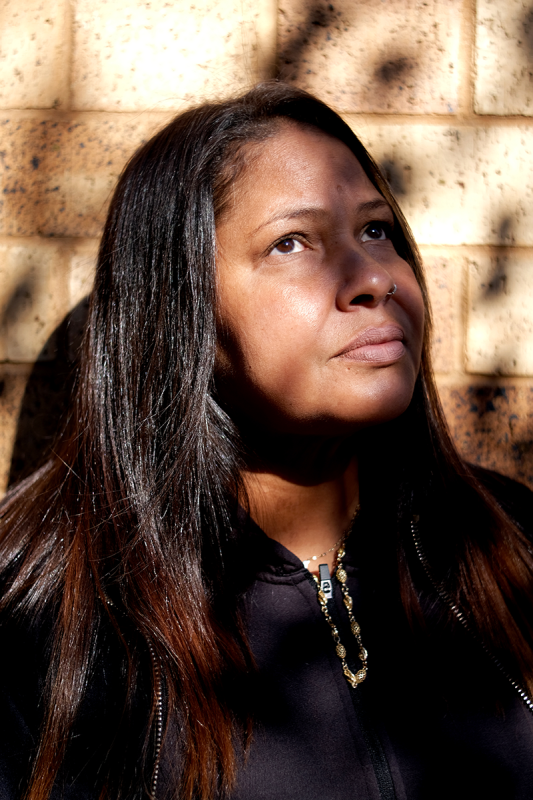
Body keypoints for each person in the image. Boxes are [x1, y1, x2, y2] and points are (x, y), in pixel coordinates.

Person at [1, 81, 533, 800]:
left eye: (376, 230)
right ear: (179, 306)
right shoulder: (45, 616)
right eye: (290, 243)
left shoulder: (506, 543)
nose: (372, 278)